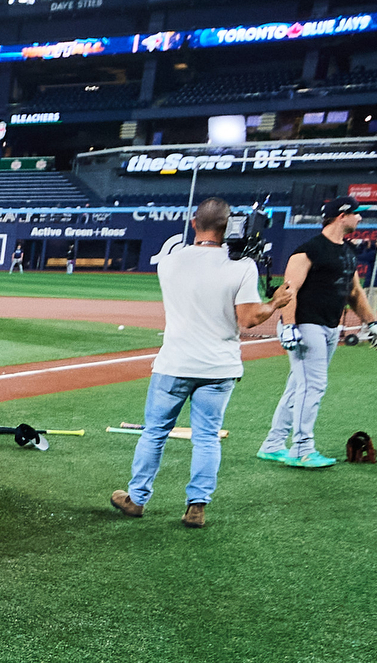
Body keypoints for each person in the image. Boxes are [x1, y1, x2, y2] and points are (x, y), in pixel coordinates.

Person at [111, 198, 280, 528]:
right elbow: (248, 319)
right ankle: (196, 507)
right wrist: (276, 302)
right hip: (219, 367)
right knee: (206, 437)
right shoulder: (242, 265)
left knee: (154, 433)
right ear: (229, 226)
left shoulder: (170, 262)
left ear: (194, 224)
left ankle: (136, 499)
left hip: (174, 363)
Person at [262, 199, 377, 469]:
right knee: (313, 386)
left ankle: (273, 444)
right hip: (305, 324)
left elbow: (354, 292)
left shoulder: (348, 250)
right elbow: (289, 290)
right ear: (342, 216)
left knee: (298, 386)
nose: (360, 219)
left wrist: (372, 323)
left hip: (329, 326)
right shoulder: (309, 250)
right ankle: (301, 449)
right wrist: (289, 325)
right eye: (357, 214)